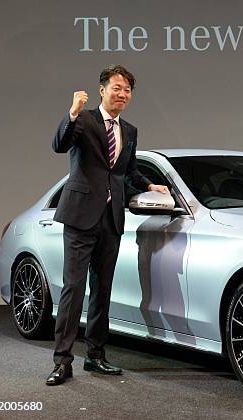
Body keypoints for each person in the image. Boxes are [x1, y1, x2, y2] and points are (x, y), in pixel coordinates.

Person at [47, 65, 169, 385]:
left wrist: (149, 186)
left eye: (127, 90)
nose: (122, 94)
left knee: (102, 290)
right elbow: (59, 144)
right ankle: (62, 361)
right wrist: (71, 113)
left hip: (111, 218)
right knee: (74, 289)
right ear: (102, 90)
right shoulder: (84, 119)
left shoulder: (129, 130)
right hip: (80, 215)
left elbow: (126, 172)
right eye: (117, 88)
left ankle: (96, 356)